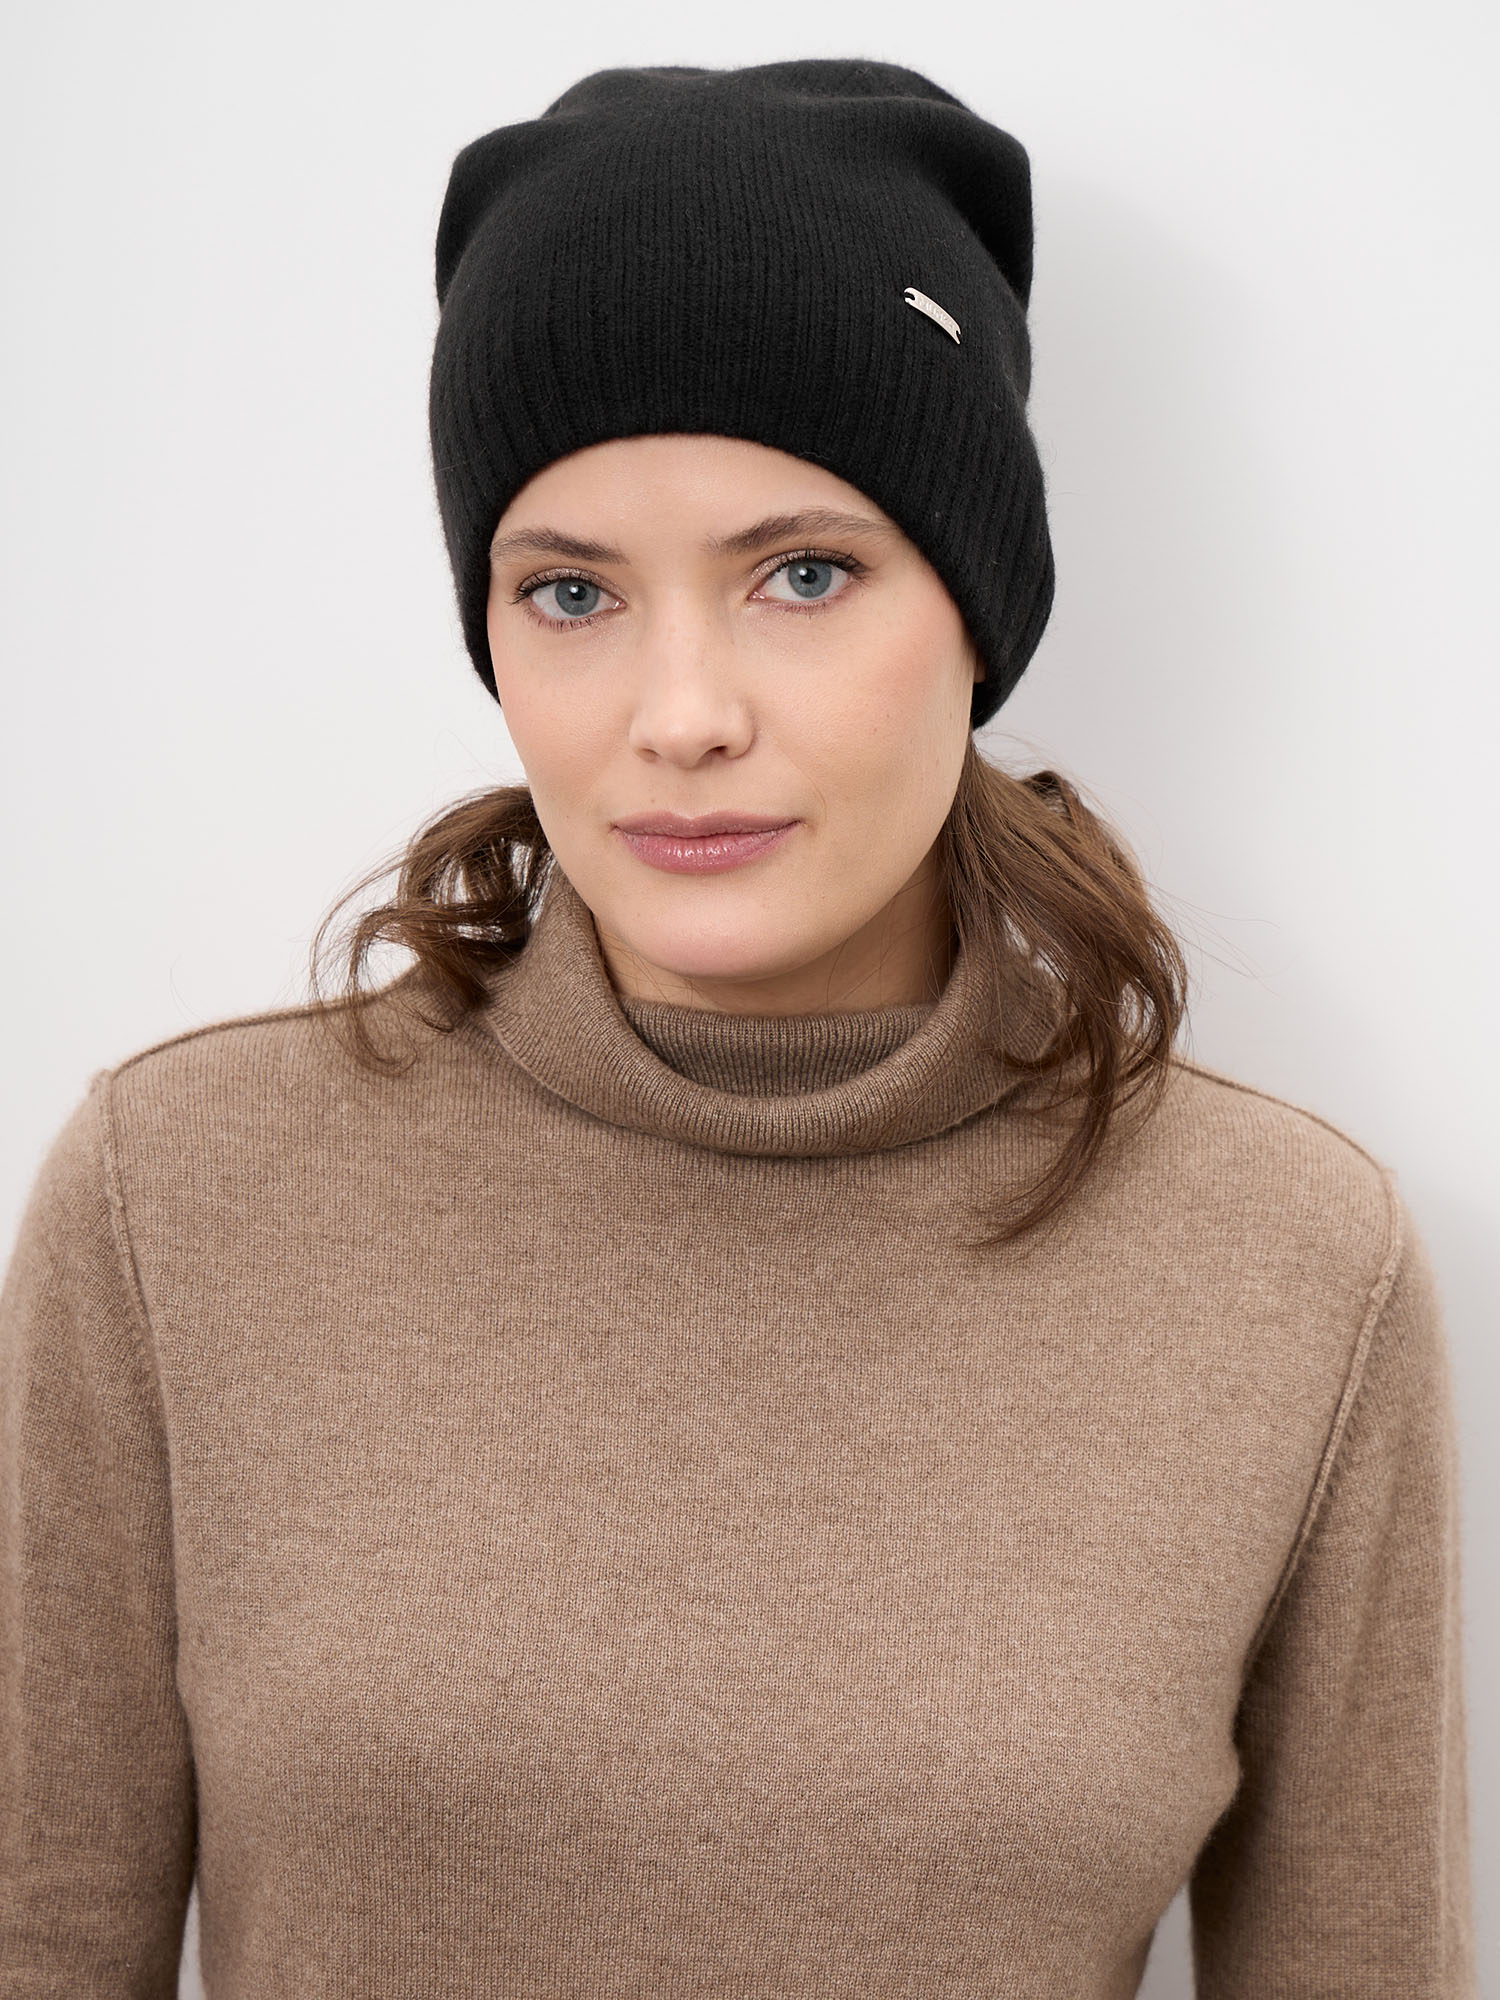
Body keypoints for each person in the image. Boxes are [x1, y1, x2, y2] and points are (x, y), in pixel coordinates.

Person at [0, 57, 1477, 2000]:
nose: (681, 713)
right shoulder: (176, 1204)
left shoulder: (1289, 1263)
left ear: (977, 608)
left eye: (803, 574)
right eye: (571, 592)